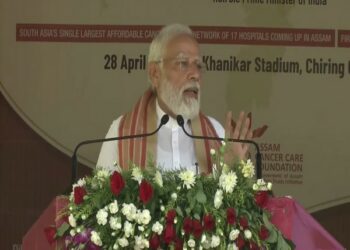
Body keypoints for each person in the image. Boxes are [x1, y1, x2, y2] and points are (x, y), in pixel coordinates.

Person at [97, 23, 252, 173]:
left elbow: (241, 197)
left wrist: (234, 170)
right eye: (182, 63)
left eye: (198, 65)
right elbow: (100, 196)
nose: (195, 74)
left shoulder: (217, 134)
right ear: (155, 73)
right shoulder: (122, 133)